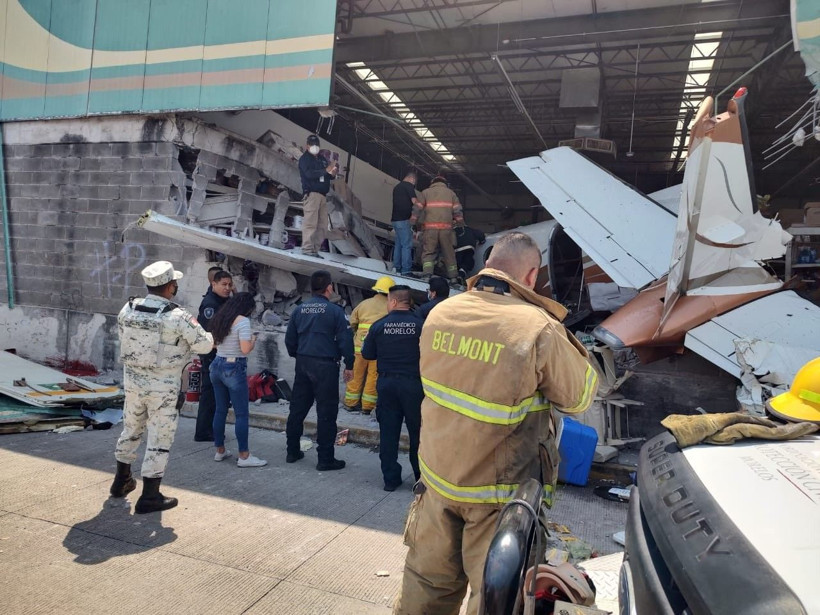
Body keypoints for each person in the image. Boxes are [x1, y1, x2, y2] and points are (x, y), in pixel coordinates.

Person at [393, 233, 599, 615]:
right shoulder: (536, 328)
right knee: (495, 600)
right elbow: (579, 396)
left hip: (437, 484)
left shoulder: (442, 313)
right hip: (499, 499)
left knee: (425, 590)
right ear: (532, 275)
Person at [110, 261, 213, 514]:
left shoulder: (129, 308)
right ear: (171, 286)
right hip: (163, 388)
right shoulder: (177, 316)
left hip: (133, 383)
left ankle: (121, 482)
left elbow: (123, 336)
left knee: (131, 430)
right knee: (159, 438)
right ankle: (150, 496)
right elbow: (205, 345)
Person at [285, 270, 354, 471]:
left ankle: (292, 451)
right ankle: (325, 459)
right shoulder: (335, 311)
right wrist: (349, 364)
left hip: (304, 363)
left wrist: (299, 356)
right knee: (326, 412)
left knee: (297, 409)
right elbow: (345, 341)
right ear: (329, 288)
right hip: (326, 366)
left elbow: (290, 340)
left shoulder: (299, 310)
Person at [360, 285, 423, 492]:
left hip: (387, 385)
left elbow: (368, 354)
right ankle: (419, 478)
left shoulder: (379, 326)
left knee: (388, 432)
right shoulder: (421, 325)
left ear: (394, 302)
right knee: (418, 434)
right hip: (414, 385)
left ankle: (390, 479)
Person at [208, 292, 267, 468]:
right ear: (247, 307)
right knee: (241, 414)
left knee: (220, 410)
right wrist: (253, 340)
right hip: (234, 368)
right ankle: (244, 456)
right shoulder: (243, 321)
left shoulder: (221, 317)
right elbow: (245, 349)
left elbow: (213, 344)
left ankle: (220, 450)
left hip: (217, 365)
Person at [343, 275, 395, 414]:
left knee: (355, 375)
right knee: (373, 377)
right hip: (378, 350)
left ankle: (350, 403)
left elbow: (353, 322)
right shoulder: (391, 307)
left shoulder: (364, 304)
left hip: (359, 347)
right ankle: (367, 406)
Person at [194, 270, 234, 442]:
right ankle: (203, 432)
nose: (227, 288)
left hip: (220, 353)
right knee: (209, 394)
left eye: (229, 285)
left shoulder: (223, 300)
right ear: (213, 284)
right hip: (212, 354)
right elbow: (207, 333)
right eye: (223, 285)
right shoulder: (211, 304)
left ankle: (210, 428)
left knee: (217, 395)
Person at [410, 174, 464, 282]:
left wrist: (412, 222)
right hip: (446, 230)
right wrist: (461, 224)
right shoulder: (451, 194)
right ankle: (453, 277)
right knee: (449, 253)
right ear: (444, 183)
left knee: (429, 252)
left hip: (430, 230)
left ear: (433, 183)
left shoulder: (425, 192)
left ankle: (427, 275)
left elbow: (417, 208)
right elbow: (457, 211)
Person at [298, 134, 337, 257]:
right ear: (307, 146)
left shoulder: (322, 159)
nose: (315, 147)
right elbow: (309, 174)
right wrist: (326, 171)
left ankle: (315, 249)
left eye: (316, 145)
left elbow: (328, 174)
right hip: (312, 193)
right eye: (312, 145)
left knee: (322, 224)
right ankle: (307, 249)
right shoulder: (305, 159)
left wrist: (332, 173)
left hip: (323, 195)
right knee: (310, 223)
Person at [392, 171, 421, 275]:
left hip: (395, 220)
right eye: (414, 182)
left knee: (398, 245)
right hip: (404, 220)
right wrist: (422, 207)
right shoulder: (408, 186)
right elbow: (414, 201)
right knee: (407, 245)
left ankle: (396, 268)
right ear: (412, 179)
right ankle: (406, 270)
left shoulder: (397, 187)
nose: (414, 184)